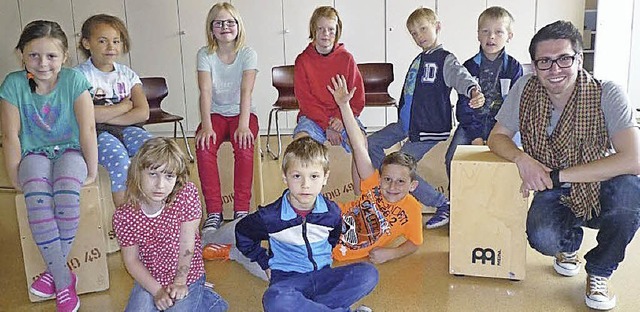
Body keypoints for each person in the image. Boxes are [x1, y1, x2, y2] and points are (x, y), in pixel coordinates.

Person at [487, 20, 640, 311]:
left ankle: (599, 271)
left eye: (564, 59)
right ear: (534, 65)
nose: (555, 69)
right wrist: (523, 158)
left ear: (579, 59)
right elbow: (497, 138)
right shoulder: (525, 90)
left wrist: (557, 176)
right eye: (544, 62)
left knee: (631, 196)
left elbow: (633, 159)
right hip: (552, 185)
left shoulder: (607, 93)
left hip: (601, 183)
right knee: (543, 237)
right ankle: (568, 246)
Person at [0, 20, 98, 312]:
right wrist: (15, 174)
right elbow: (10, 135)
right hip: (34, 154)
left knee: (67, 191)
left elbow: (88, 128)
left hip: (70, 150)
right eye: (33, 55)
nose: (42, 63)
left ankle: (54, 276)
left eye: (51, 56)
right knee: (37, 200)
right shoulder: (13, 84)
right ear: (21, 55)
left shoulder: (74, 81)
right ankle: (64, 279)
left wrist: (92, 170)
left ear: (65, 56)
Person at [367, 7, 485, 229]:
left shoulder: (444, 59)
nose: (419, 36)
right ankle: (390, 183)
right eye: (413, 33)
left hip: (428, 127)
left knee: (400, 166)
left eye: (423, 28)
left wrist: (473, 90)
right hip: (406, 125)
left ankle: (442, 204)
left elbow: (461, 77)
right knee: (371, 143)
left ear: (437, 27)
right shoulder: (418, 60)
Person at [235, 136, 378, 312]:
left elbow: (333, 238)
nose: (305, 185)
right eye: (297, 176)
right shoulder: (270, 216)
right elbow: (243, 233)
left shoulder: (331, 212)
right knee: (275, 300)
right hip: (287, 281)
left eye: (314, 176)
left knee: (368, 274)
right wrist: (264, 262)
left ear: (325, 178)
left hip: (323, 276)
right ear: (285, 177)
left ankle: (309, 307)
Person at [112, 137, 228, 311]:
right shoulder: (124, 215)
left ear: (177, 178)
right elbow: (132, 260)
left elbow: (187, 243)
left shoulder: (186, 195)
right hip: (150, 278)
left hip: (187, 276)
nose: (160, 185)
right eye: (153, 174)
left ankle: (211, 302)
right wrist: (157, 291)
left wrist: (180, 282)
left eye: (169, 176)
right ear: (138, 173)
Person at [328, 75, 424, 263]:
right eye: (387, 179)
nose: (392, 186)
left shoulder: (412, 209)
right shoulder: (373, 184)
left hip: (341, 253)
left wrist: (392, 253)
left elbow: (415, 242)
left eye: (401, 181)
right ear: (380, 179)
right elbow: (358, 147)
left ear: (412, 186)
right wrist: (344, 106)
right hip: (330, 220)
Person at [442, 6, 523, 205]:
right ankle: (460, 204)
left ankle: (505, 204)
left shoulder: (514, 68)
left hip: (503, 127)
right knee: (452, 158)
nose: (491, 37)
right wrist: (476, 136)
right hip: (472, 124)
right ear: (478, 34)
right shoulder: (468, 67)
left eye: (498, 32)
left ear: (509, 35)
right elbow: (463, 107)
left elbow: (515, 108)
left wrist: (499, 134)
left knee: (517, 158)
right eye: (485, 31)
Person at [76, 14, 153, 208]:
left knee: (154, 151)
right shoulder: (79, 75)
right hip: (96, 132)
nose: (111, 47)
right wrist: (124, 107)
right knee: (119, 160)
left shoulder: (127, 74)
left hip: (128, 127)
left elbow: (143, 113)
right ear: (86, 43)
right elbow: (88, 116)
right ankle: (127, 218)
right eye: (102, 41)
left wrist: (107, 115)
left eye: (116, 41)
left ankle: (155, 211)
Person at [195, 2, 259, 236]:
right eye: (219, 23)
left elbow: (246, 91)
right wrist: (207, 126)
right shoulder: (205, 54)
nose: (225, 27)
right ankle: (214, 211)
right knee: (204, 145)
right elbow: (205, 92)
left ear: (238, 26)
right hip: (215, 113)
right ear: (211, 28)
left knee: (244, 144)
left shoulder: (247, 53)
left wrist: (243, 125)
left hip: (242, 113)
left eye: (230, 22)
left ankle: (241, 210)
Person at [293, 6, 366, 193]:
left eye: (331, 30)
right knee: (301, 145)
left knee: (362, 143)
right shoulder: (303, 61)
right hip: (313, 119)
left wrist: (340, 120)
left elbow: (357, 98)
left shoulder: (347, 59)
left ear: (337, 31)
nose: (326, 34)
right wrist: (327, 124)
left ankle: (361, 201)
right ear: (313, 31)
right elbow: (305, 101)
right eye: (321, 29)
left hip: (342, 116)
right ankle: (306, 199)